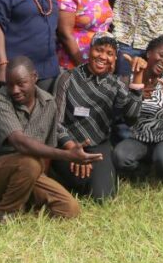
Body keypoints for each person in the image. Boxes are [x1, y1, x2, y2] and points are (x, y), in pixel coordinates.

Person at [0, 57, 102, 222]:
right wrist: (67, 155)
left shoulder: (48, 103)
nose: (15, 90)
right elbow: (19, 143)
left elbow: (46, 155)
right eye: (9, 84)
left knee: (69, 208)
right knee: (29, 162)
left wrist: (42, 183)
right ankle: (4, 212)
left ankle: (23, 206)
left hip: (29, 173)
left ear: (34, 77)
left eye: (21, 83)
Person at [50, 35, 146, 201]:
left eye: (109, 53)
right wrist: (72, 149)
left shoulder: (116, 85)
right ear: (90, 51)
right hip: (68, 144)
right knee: (77, 181)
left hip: (98, 144)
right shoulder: (68, 78)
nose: (103, 57)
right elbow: (55, 122)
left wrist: (137, 79)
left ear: (114, 58)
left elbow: (131, 118)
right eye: (99, 50)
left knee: (103, 197)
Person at [112, 36, 163, 181]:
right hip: (138, 138)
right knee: (120, 157)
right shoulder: (129, 79)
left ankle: (159, 168)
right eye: (162, 55)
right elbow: (127, 119)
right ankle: (141, 171)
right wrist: (136, 93)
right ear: (149, 53)